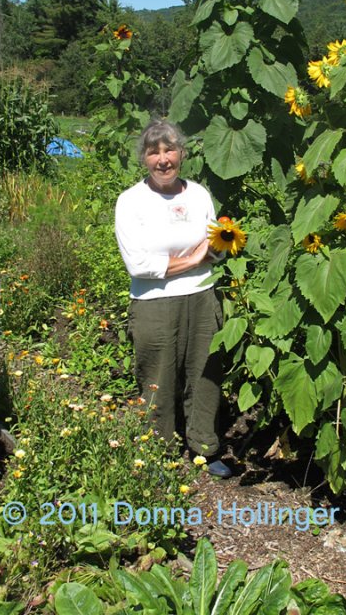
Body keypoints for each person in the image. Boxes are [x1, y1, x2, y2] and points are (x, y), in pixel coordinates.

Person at [115, 120, 231, 478]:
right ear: (144, 159)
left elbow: (219, 247)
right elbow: (139, 264)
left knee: (205, 373)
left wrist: (209, 253)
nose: (163, 159)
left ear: (182, 153)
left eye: (170, 150)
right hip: (154, 303)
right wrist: (194, 258)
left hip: (201, 296)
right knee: (157, 377)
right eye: (154, 152)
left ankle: (203, 447)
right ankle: (156, 451)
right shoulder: (131, 202)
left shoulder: (198, 195)